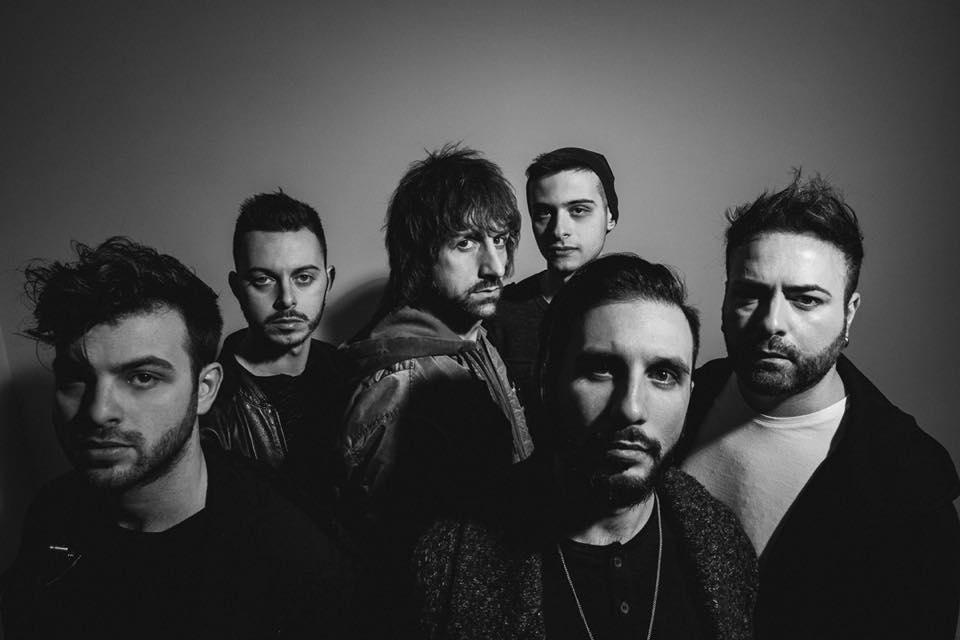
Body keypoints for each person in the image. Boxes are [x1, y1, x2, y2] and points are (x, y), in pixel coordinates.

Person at [2, 237, 349, 639]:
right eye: (75, 378)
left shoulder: (290, 552)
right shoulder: (54, 511)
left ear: (205, 389)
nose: (98, 411)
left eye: (142, 377)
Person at [415, 254, 757, 640]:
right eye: (602, 369)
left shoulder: (722, 542)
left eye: (663, 375)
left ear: (689, 394)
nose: (631, 408)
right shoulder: (449, 560)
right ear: (548, 379)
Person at [679, 174, 960, 639]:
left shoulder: (908, 486)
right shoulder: (679, 400)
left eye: (805, 300)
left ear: (849, 313)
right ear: (725, 298)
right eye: (749, 294)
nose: (772, 322)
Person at [340, 144, 533, 536]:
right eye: (465, 243)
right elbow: (386, 547)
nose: (495, 267)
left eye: (499, 240)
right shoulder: (400, 384)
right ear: (419, 258)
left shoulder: (476, 341)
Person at [201, 191, 342, 512]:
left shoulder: (352, 375)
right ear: (237, 288)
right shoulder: (209, 406)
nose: (287, 299)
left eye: (303, 277)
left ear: (328, 281)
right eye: (263, 280)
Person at [487, 147, 618, 443]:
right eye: (544, 213)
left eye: (578, 210)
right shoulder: (498, 313)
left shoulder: (642, 311)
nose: (559, 230)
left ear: (610, 216)